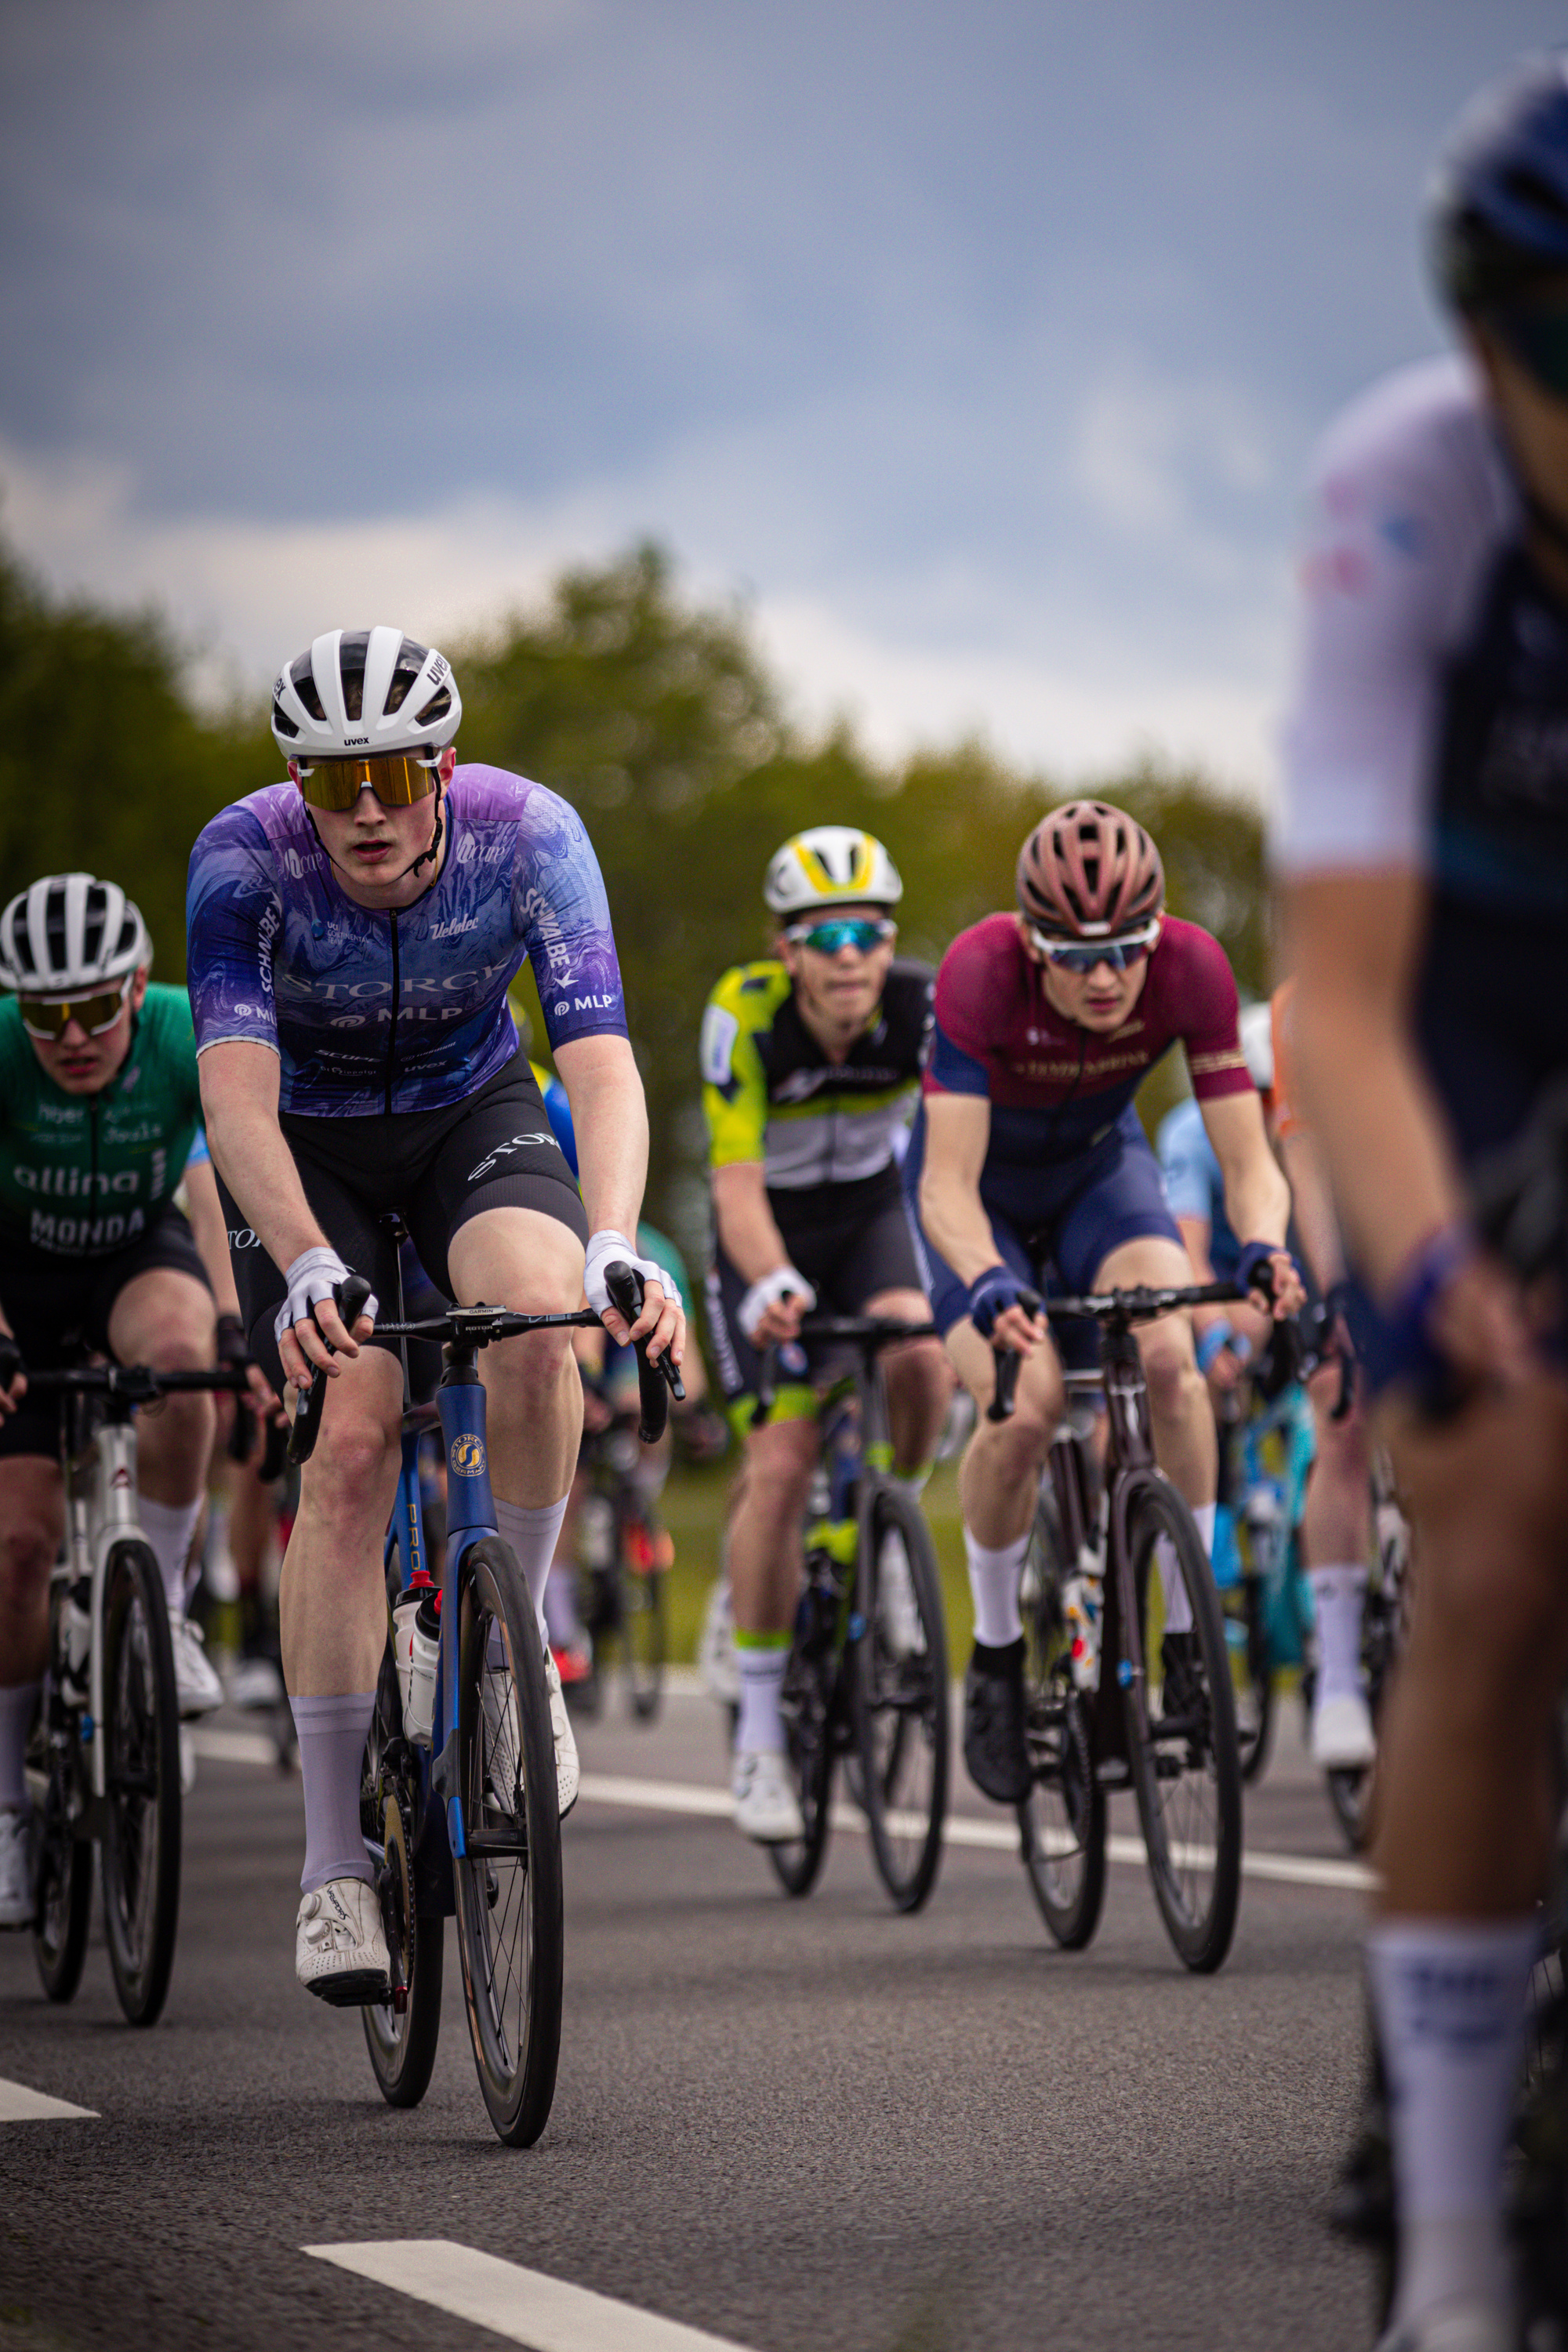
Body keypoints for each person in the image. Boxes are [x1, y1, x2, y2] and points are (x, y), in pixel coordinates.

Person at [187, 626, 683, 2005]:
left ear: (443, 768)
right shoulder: (242, 854)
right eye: (332, 777)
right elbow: (232, 1097)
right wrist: (296, 1260)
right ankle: (333, 1866)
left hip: (473, 1114)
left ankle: (509, 1659)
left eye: (395, 773)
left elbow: (603, 1063)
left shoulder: (532, 836)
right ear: (296, 776)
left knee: (535, 1323)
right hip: (311, 1148)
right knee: (350, 1439)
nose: (364, 809)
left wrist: (613, 1243)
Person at [1276, 55, 1568, 2352]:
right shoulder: (1403, 499)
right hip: (1448, 1010)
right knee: (1495, 1524)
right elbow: (1337, 1004)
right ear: (1492, 346)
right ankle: (1455, 2260)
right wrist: (1446, 1264)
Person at [907, 800, 1301, 1807]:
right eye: (1074, 955)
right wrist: (986, 1276)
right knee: (1028, 1402)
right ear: (1030, 942)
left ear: (1156, 933)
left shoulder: (1193, 970)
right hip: (977, 1197)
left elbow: (1247, 1161)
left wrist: (1260, 1244)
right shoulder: (978, 972)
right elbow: (946, 1185)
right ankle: (995, 1658)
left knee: (1168, 1359)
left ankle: (1186, 1634)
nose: (1103, 976)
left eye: (1125, 949)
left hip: (1096, 1178)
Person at [0, 875, 269, 1927]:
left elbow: (218, 1180)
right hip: (14, 1275)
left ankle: (158, 1604)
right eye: (44, 1015)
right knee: (19, 1546)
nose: (72, 1035)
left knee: (181, 1358)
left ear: (140, 986)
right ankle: (6, 1817)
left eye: (96, 1009)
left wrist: (238, 1322)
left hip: (131, 1255)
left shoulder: (182, 1031)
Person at [700, 826, 950, 1842]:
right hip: (767, 1237)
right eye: (825, 934)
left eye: (869, 932)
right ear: (786, 948)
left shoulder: (924, 1008)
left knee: (922, 1355)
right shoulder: (743, 1014)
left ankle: (892, 1532)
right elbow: (734, 1186)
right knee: (784, 1459)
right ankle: (761, 1736)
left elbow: (947, 1157)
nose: (850, 953)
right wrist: (773, 1279)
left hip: (872, 1220)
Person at [1266, 980, 1377, 1771]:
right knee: (1341, 1414)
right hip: (1340, 1197)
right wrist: (1332, 1285)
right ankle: (1338, 1672)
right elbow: (1303, 1161)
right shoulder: (1304, 1001)